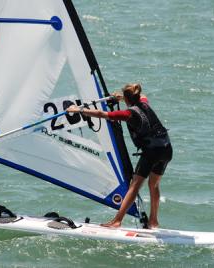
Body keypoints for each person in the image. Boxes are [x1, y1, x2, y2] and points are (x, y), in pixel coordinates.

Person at [66, 83, 172, 229]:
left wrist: (79, 109)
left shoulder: (129, 114)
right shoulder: (144, 104)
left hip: (152, 152)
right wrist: (121, 98)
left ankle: (117, 221)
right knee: (153, 184)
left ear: (128, 99)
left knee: (134, 187)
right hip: (166, 149)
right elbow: (143, 96)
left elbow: (103, 115)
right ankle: (153, 221)